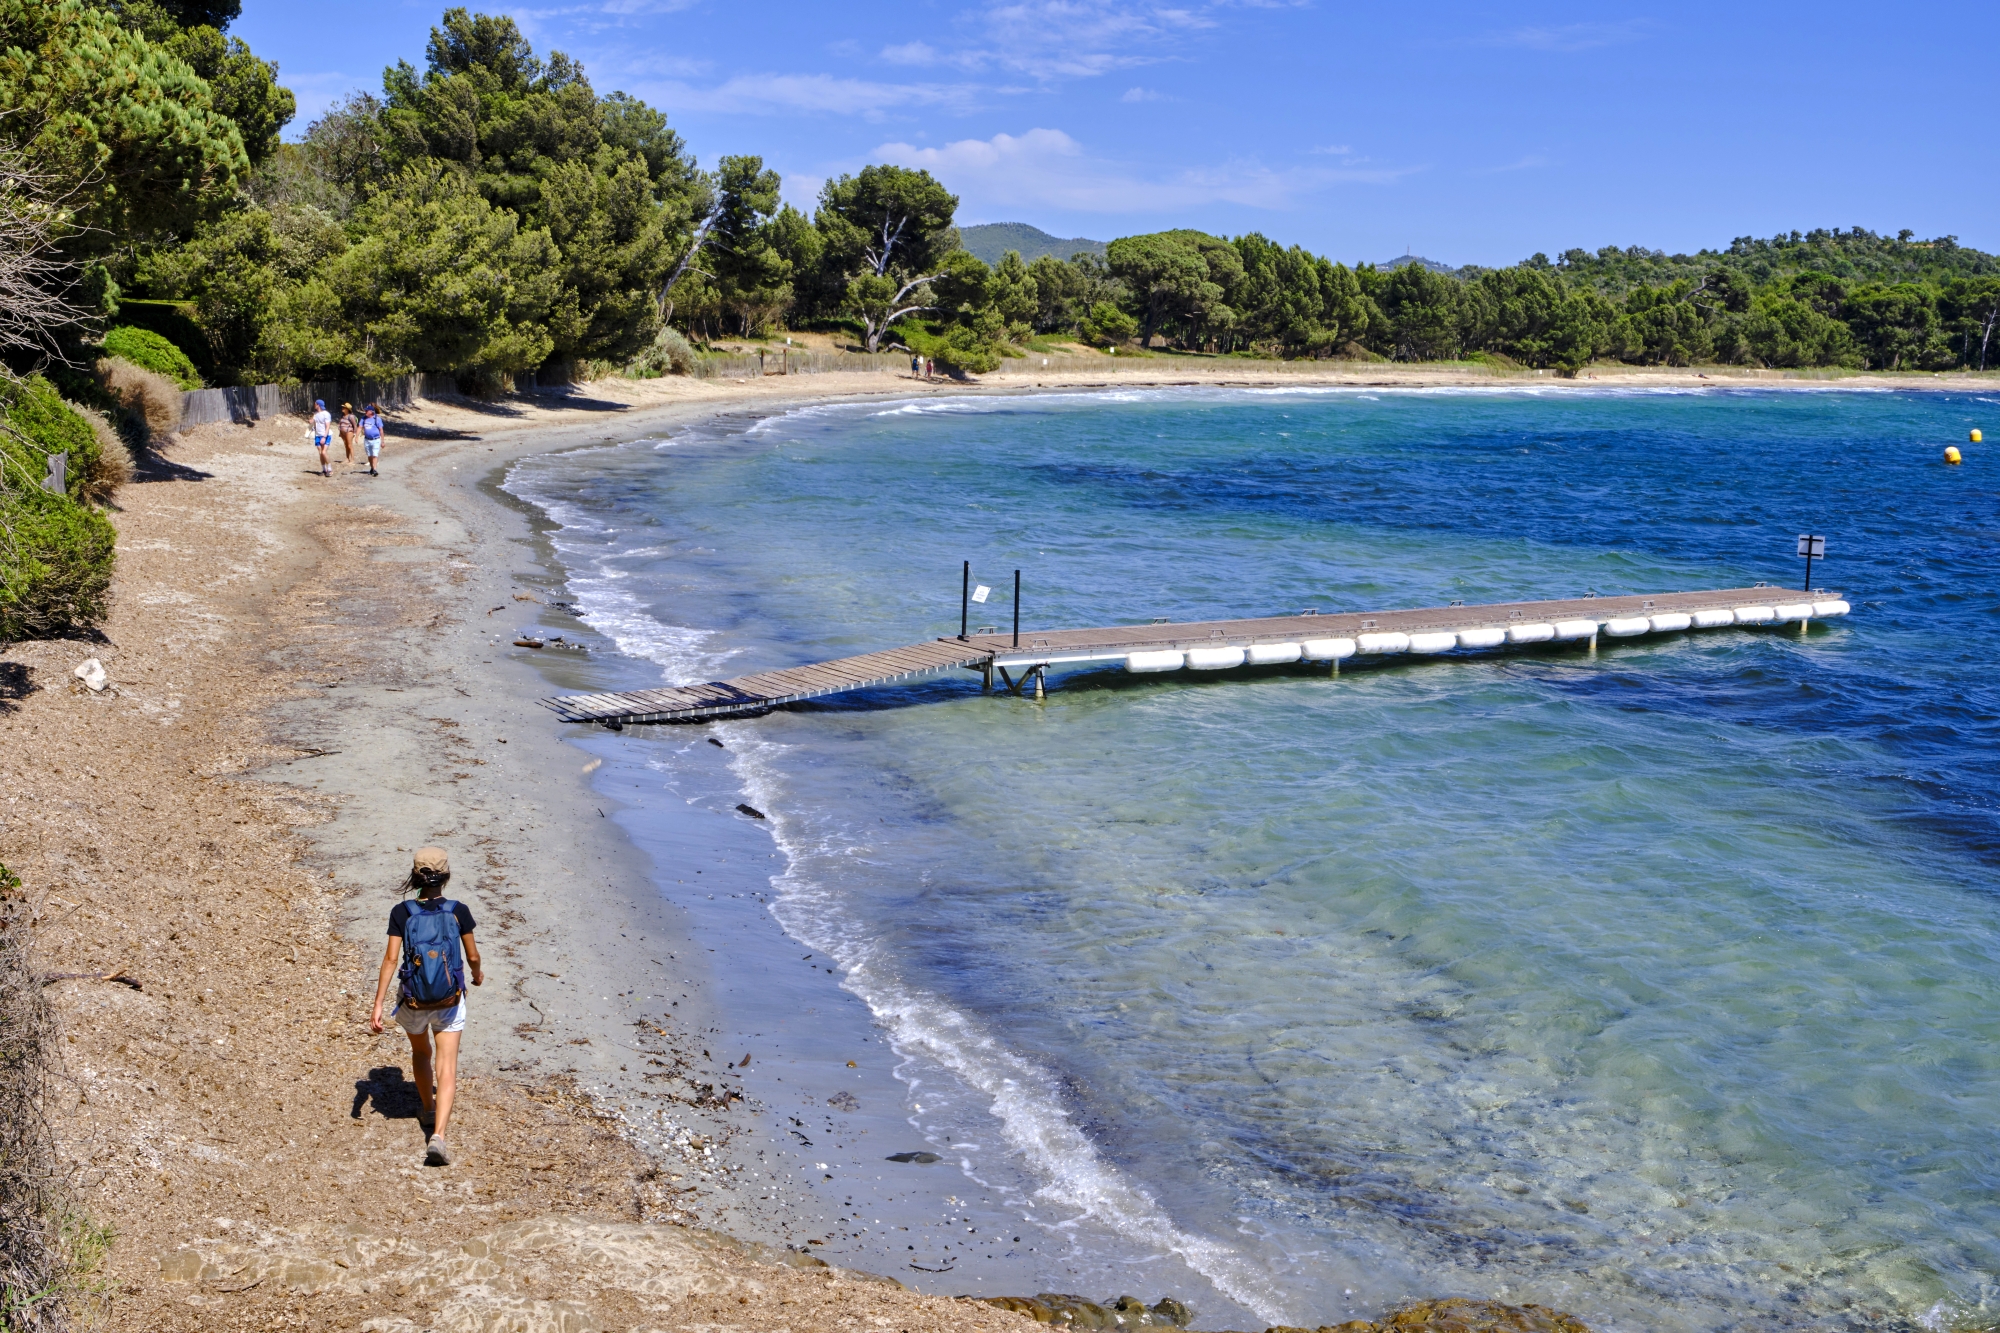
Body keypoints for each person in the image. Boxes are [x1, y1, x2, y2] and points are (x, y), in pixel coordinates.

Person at [369, 847, 482, 1166]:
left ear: (415, 876)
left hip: (413, 1000)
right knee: (447, 1067)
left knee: (421, 1054)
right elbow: (472, 955)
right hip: (449, 999)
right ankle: (439, 1136)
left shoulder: (401, 912)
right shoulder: (459, 910)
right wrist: (476, 975)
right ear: (446, 876)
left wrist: (377, 1004)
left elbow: (391, 959)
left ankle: (428, 1110)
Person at [310, 400, 334, 477]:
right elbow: (314, 422)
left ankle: (330, 469)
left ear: (318, 405)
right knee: (320, 452)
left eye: (315, 404)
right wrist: (311, 421)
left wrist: (324, 437)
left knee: (324, 452)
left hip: (326, 435)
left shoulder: (326, 414)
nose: (314, 405)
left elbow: (327, 426)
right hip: (317, 435)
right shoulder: (316, 414)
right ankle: (324, 469)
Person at [360, 403, 384, 476]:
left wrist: (382, 441)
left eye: (367, 411)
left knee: (374, 455)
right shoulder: (363, 418)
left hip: (376, 439)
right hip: (367, 440)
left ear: (371, 412)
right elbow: (359, 427)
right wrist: (357, 436)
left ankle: (374, 469)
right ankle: (372, 467)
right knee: (369, 455)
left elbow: (381, 430)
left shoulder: (377, 419)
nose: (365, 412)